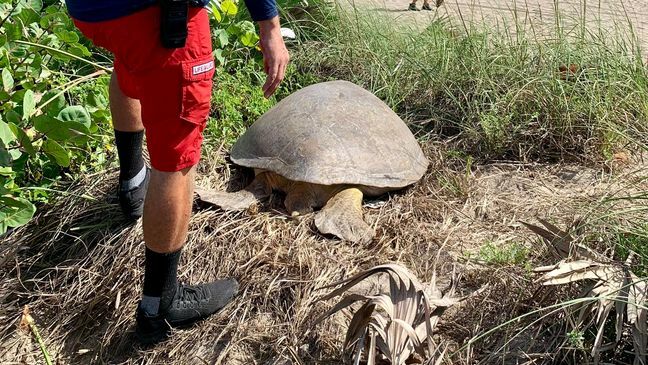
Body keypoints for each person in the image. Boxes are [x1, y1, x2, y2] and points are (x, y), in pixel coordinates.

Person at [64, 0, 289, 344]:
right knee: (176, 160)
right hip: (160, 14)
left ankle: (132, 183)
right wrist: (269, 26)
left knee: (131, 62)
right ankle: (161, 305)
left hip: (92, 11)